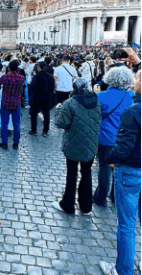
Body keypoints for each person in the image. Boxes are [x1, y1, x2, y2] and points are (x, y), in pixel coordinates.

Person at [99, 69, 141, 275]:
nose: (136, 80)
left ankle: (123, 270)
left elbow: (123, 149)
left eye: (139, 77)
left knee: (126, 225)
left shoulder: (132, 110)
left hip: (126, 162)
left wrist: (111, 158)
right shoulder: (131, 100)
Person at [52, 78, 101, 216]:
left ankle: (68, 204)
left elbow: (60, 123)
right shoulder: (97, 101)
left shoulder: (69, 103)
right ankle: (86, 206)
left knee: (72, 172)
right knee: (87, 172)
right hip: (91, 142)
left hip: (73, 141)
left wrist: (58, 110)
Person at [93, 66, 135, 207]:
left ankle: (101, 196)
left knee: (104, 167)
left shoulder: (101, 96)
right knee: (117, 167)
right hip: (121, 138)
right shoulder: (129, 97)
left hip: (104, 137)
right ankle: (114, 195)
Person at [0, 60, 25, 150]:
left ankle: (4, 142)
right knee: (16, 124)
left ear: (9, 68)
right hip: (16, 103)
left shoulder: (5, 77)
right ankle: (16, 143)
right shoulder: (21, 78)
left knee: (4, 124)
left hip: (5, 102)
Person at [29, 61, 55, 136]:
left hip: (37, 97)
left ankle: (34, 130)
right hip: (47, 97)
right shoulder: (50, 76)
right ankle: (45, 131)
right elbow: (52, 87)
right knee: (46, 114)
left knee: (34, 114)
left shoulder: (36, 76)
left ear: (39, 67)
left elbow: (32, 86)